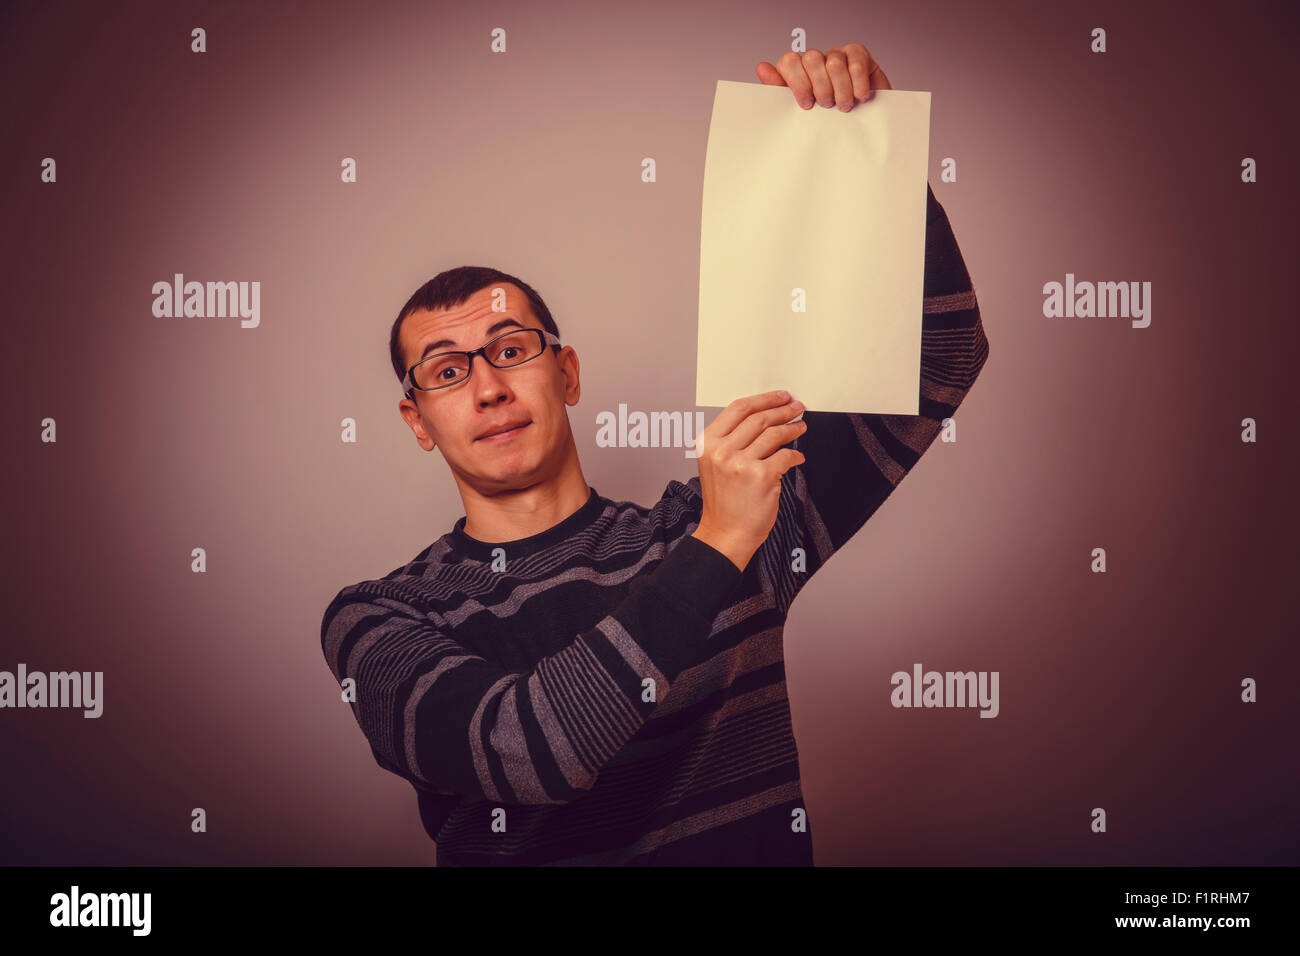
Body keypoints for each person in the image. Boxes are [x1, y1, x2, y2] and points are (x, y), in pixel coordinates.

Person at [320, 42, 990, 865]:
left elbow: (943, 356)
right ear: (417, 419)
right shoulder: (379, 617)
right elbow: (527, 752)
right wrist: (721, 544)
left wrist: (875, 159)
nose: (488, 388)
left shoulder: (723, 512)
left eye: (511, 349)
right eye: (447, 372)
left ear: (565, 372)